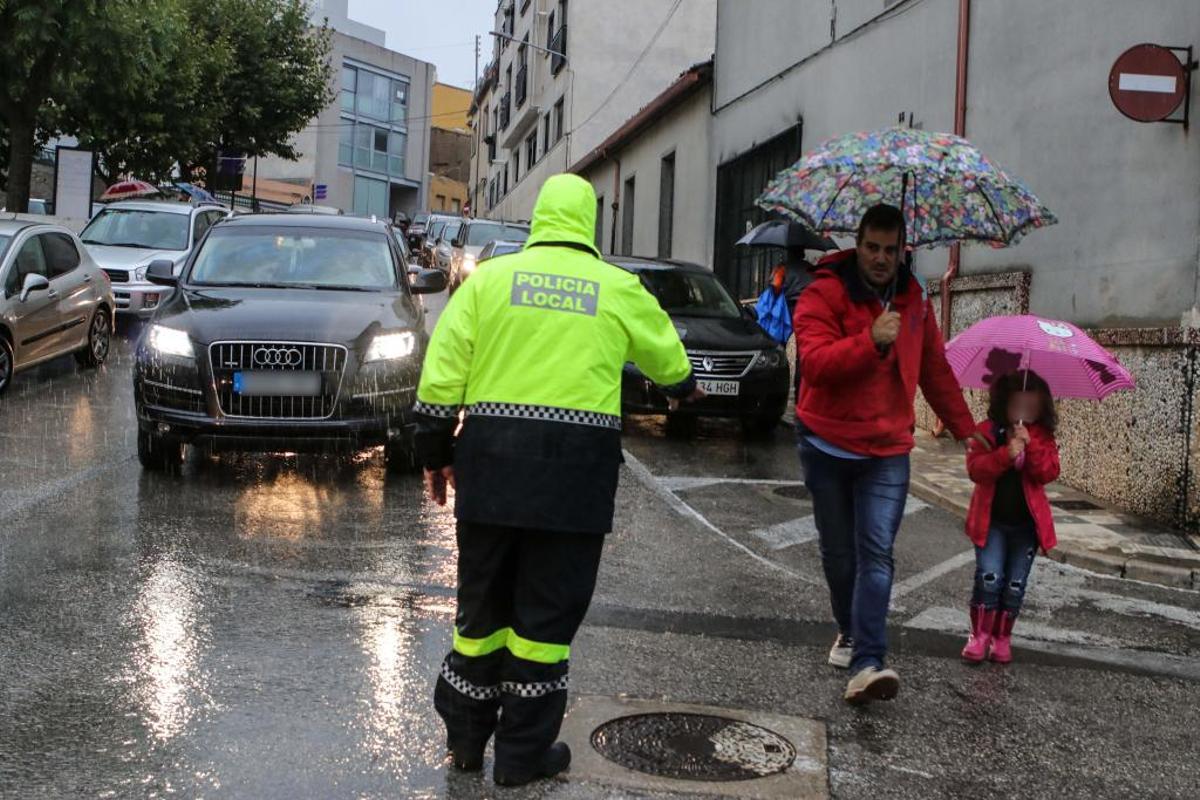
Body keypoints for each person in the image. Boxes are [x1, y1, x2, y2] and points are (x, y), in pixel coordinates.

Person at [414, 173, 702, 786]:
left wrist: (435, 451)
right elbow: (671, 363)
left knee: (481, 612)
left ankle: (466, 741)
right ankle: (521, 756)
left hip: (489, 474)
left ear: (539, 220)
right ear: (589, 224)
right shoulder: (617, 287)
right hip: (574, 483)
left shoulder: (488, 282)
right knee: (544, 626)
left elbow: (442, 373)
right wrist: (681, 388)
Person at [793, 202, 986, 705]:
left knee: (877, 552)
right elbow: (814, 364)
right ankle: (849, 629)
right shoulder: (823, 293)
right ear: (857, 245)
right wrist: (869, 339)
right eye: (872, 248)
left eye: (891, 249)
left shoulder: (913, 300)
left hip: (886, 449)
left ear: (904, 250)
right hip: (826, 443)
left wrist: (965, 428)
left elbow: (934, 369)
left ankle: (868, 661)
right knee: (839, 556)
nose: (881, 258)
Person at [961, 370, 1060, 664]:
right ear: (1003, 404)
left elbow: (1048, 473)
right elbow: (976, 469)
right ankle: (979, 636)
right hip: (991, 523)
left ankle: (1002, 638)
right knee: (989, 577)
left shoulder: (1042, 438)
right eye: (1018, 406)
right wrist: (1006, 453)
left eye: (1031, 408)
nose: (1024, 413)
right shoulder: (988, 432)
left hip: (1025, 527)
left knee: (1015, 583)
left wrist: (1030, 448)